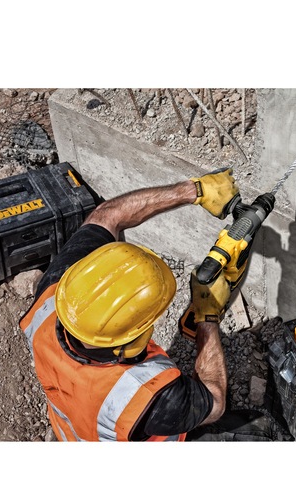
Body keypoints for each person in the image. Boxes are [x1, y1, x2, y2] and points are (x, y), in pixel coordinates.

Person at [19, 168, 238, 441]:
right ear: (133, 336)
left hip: (70, 432)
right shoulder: (147, 395)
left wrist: (193, 191)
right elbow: (215, 403)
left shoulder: (52, 297)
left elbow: (106, 216)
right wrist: (207, 316)